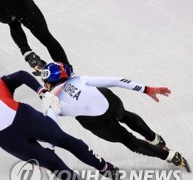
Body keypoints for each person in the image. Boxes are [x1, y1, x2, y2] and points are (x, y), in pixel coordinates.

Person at [0, 64, 126, 180]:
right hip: (24, 117)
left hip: (7, 140)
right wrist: (42, 91)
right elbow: (21, 74)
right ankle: (107, 169)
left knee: (54, 165)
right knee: (66, 141)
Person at [39, 62, 190, 171]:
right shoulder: (78, 79)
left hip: (98, 124)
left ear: (49, 82)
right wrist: (147, 89)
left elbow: (52, 127)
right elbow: (115, 81)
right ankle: (154, 137)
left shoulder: (50, 101)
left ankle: (170, 156)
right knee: (124, 115)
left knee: (129, 141)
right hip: (112, 104)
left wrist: (50, 150)